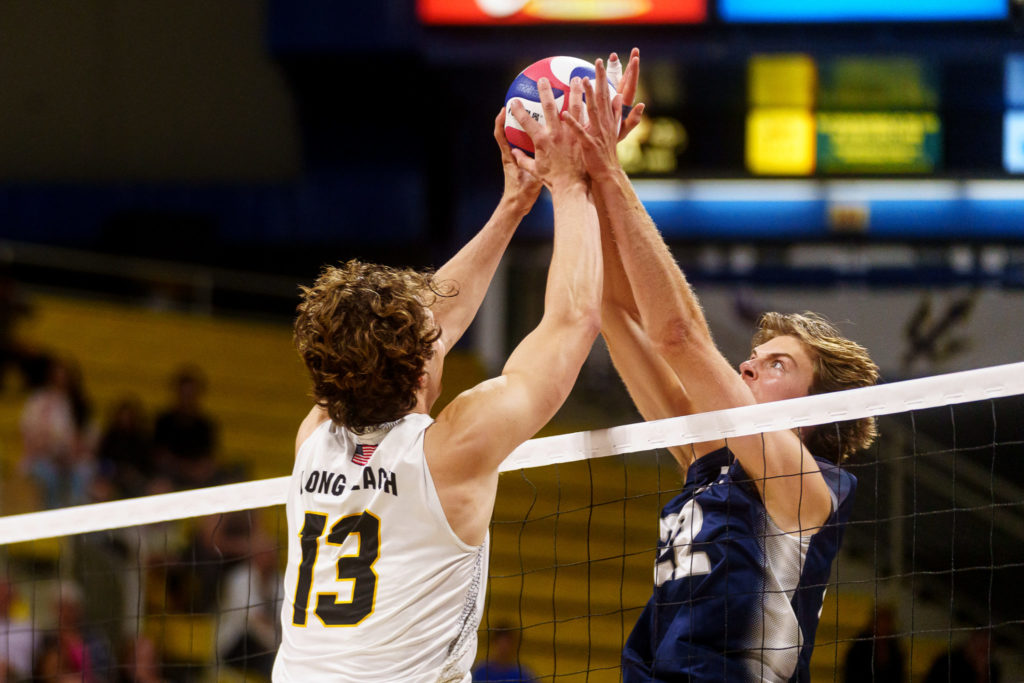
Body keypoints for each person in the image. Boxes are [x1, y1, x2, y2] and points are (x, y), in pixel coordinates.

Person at [272, 79, 604, 683]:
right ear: (424, 362)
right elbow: (573, 322)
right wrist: (574, 184)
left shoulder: (314, 431)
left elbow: (423, 327)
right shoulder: (449, 452)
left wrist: (513, 205)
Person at [562, 51, 880, 681]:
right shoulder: (708, 459)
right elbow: (614, 309)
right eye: (754, 355)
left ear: (815, 410)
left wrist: (609, 168)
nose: (747, 366)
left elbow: (678, 336)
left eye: (777, 363)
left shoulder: (807, 490)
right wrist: (573, 182)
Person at [842, 604, 906, 683]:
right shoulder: (859, 648)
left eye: (887, 622)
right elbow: (852, 675)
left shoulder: (895, 650)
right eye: (880, 622)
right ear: (872, 623)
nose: (884, 627)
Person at [923, 629, 1000, 683]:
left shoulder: (991, 671)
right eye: (979, 648)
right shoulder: (948, 661)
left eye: (985, 650)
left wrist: (981, 673)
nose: (980, 654)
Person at [472, 624, 539, 683]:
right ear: (493, 644)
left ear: (514, 646)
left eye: (507, 644)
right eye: (500, 644)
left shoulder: (523, 674)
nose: (503, 650)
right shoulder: (480, 671)